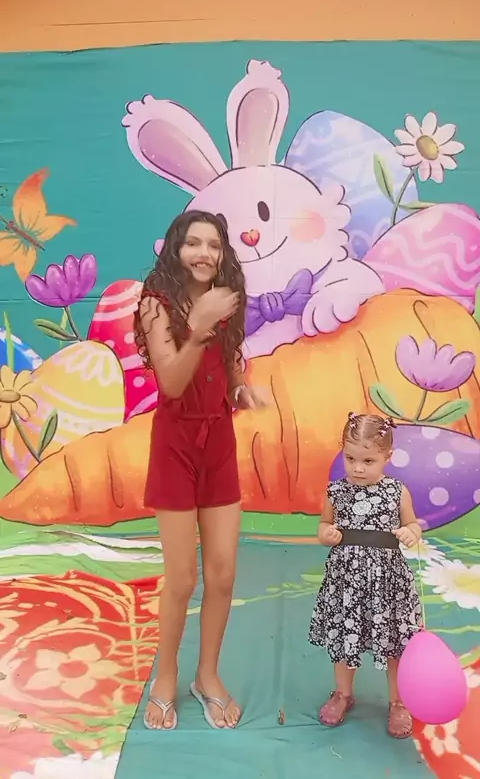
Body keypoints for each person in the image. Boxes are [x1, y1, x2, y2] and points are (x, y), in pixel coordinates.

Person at [134, 210, 268, 732]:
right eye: (194, 243)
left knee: (223, 571)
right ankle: (165, 677)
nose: (205, 253)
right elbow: (170, 383)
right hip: (175, 445)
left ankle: (206, 675)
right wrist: (199, 327)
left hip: (219, 442)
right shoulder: (156, 303)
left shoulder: (227, 299)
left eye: (214, 245)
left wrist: (240, 388)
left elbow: (230, 361)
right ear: (176, 248)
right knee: (183, 578)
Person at [308, 412, 423, 738]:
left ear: (388, 457)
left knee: (394, 643)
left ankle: (398, 700)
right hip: (347, 583)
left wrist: (411, 533)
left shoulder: (397, 492)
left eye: (368, 460)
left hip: (387, 583)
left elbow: (413, 524)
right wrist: (326, 534)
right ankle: (343, 693)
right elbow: (323, 525)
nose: (358, 468)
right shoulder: (336, 492)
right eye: (350, 458)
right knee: (347, 638)